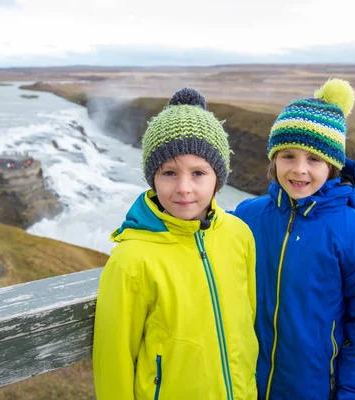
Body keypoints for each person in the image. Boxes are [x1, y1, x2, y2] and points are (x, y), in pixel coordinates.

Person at [233, 79, 355, 400]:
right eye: (288, 156)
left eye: (314, 159)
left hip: (314, 390)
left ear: (333, 165)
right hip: (244, 385)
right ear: (273, 159)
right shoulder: (247, 217)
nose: (299, 170)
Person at [93, 88, 258, 400]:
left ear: (218, 179)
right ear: (152, 178)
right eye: (169, 172)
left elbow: (246, 322)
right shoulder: (131, 260)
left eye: (198, 173)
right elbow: (112, 362)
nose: (184, 188)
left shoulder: (239, 234)